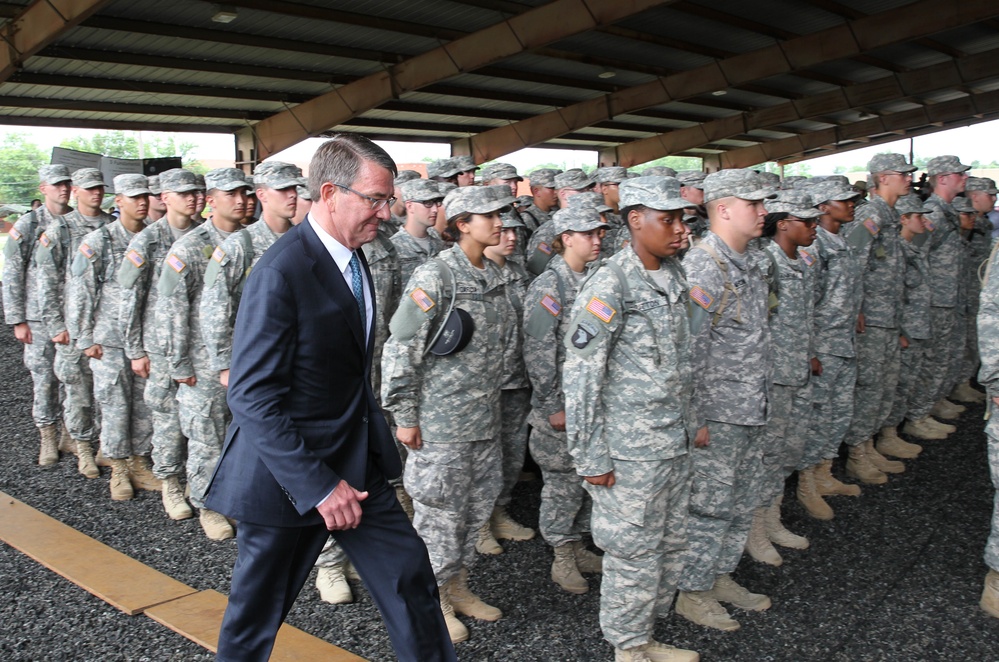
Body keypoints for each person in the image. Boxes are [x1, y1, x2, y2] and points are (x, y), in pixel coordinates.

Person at [206, 134, 454, 662]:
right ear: (329, 192)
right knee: (257, 615)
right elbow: (251, 395)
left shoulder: (355, 254)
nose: (385, 214)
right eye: (375, 199)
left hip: (354, 463)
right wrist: (318, 487)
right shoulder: (282, 271)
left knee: (408, 576)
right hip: (290, 475)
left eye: (389, 201)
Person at [562, 176, 698, 662]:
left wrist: (693, 422)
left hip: (672, 442)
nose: (679, 229)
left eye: (682, 218)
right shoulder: (610, 283)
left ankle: (647, 634)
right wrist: (590, 455)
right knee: (633, 554)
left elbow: (683, 362)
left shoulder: (674, 274)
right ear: (635, 220)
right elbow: (581, 375)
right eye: (669, 219)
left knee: (671, 544)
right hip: (629, 451)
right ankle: (628, 647)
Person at [381, 185, 513, 644]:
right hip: (441, 424)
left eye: (500, 214)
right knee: (438, 517)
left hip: (483, 420)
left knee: (474, 511)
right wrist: (404, 413)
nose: (499, 223)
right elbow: (401, 347)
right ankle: (430, 598)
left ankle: (457, 585)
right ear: (462, 225)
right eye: (487, 216)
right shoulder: (435, 277)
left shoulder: (492, 277)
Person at [676, 169, 775, 632]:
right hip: (716, 412)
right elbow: (688, 351)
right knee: (709, 505)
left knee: (740, 500)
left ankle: (719, 575)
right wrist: (695, 418)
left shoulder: (750, 261)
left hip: (749, 405)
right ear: (723, 209)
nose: (763, 212)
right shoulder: (703, 267)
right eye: (753, 204)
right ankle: (692, 593)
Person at [157, 168, 247, 541]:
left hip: (247, 358)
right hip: (203, 361)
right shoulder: (190, 247)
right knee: (207, 435)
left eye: (245, 193)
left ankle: (237, 498)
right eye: (231, 194)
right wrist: (178, 361)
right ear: (213, 200)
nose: (241, 200)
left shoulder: (252, 240)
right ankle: (208, 505)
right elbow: (171, 307)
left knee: (242, 435)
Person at [523, 205, 607, 594]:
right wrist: (551, 404)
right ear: (565, 238)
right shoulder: (549, 286)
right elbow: (538, 349)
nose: (597, 240)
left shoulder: (596, 278)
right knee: (562, 485)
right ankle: (561, 555)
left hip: (592, 403)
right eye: (587, 234)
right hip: (560, 408)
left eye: (599, 233)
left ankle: (578, 545)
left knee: (589, 480)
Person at [68, 174, 160, 501]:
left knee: (144, 405)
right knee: (114, 404)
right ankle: (119, 468)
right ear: (118, 200)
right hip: (108, 339)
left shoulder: (154, 239)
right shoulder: (99, 242)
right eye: (134, 197)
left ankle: (139, 460)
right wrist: (84, 337)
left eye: (145, 196)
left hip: (145, 338)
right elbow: (80, 292)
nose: (141, 202)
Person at [745, 190, 820, 566]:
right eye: (807, 221)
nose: (814, 228)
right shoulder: (765, 262)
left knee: (786, 453)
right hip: (772, 378)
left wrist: (809, 354)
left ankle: (772, 518)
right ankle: (755, 529)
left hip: (797, 373)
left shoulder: (802, 260)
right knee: (765, 457)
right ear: (784, 222)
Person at [118, 168, 197, 521]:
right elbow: (129, 297)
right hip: (161, 344)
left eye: (197, 191)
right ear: (164, 198)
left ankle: (199, 482)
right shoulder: (147, 241)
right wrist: (135, 349)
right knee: (166, 416)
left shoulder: (204, 237)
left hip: (199, 345)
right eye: (184, 193)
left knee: (201, 419)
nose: (192, 198)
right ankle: (170, 482)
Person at [36, 167, 114, 478]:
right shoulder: (60, 231)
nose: (96, 193)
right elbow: (47, 282)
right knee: (78, 391)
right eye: (89, 188)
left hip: (105, 328)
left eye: (99, 188)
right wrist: (56, 326)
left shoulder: (112, 226)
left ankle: (109, 447)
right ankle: (81, 444)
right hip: (72, 327)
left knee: (110, 392)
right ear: (76, 191)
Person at [840, 154, 912, 484]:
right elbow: (852, 261)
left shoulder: (890, 214)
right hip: (872, 318)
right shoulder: (870, 214)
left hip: (888, 316)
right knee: (868, 386)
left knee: (883, 385)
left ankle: (870, 444)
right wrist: (856, 308)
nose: (909, 179)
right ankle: (857, 453)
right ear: (883, 178)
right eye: (903, 174)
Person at [797, 180, 865, 515]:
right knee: (818, 417)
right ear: (823, 205)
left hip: (843, 341)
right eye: (844, 201)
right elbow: (805, 304)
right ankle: (807, 485)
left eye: (853, 200)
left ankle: (825, 473)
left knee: (838, 414)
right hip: (823, 345)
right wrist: (810, 350)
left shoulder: (842, 241)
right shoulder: (814, 246)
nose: (852, 205)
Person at [3, 164, 74, 466]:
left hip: (72, 315)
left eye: (66, 184)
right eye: (56, 184)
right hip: (37, 317)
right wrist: (17, 319)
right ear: (43, 188)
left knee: (74, 379)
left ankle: (72, 433)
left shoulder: (76, 220)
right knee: (44, 379)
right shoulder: (29, 224)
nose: (63, 189)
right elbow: (12, 272)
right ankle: (47, 433)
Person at [476, 204, 536, 556]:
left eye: (516, 231)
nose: (511, 236)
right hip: (484, 385)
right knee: (483, 458)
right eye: (505, 230)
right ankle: (480, 522)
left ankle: (500, 511)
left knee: (511, 454)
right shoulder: (472, 274)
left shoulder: (519, 274)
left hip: (516, 379)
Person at [392, 179, 446, 284]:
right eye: (428, 203)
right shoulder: (393, 248)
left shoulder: (439, 245)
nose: (435, 209)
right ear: (410, 206)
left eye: (436, 202)